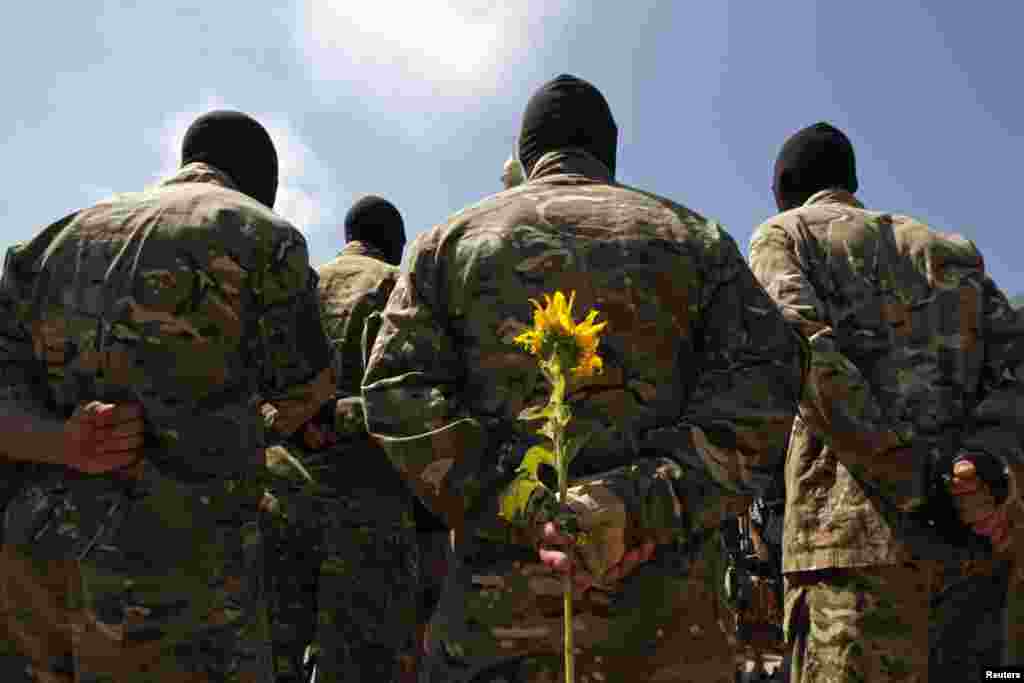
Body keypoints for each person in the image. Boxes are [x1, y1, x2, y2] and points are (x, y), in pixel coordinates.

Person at [361, 73, 807, 683]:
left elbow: (394, 391)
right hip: (669, 631)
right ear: (609, 154)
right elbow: (769, 385)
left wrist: (522, 504)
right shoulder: (694, 241)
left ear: (524, 155)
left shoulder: (448, 244)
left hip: (500, 627)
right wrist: (641, 503)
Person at [0, 110, 334, 682]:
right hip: (181, 590)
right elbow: (305, 386)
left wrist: (65, 443)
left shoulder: (49, 242)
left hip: (37, 580)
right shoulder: (262, 235)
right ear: (264, 187)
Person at [748, 121, 1024, 683]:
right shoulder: (949, 251)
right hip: (972, 552)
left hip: (851, 563)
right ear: (852, 181)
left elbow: (809, 361)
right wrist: (986, 472)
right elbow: (1016, 371)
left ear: (783, 189)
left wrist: (918, 485)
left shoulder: (786, 235)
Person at [262, 195, 421, 683]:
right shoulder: (398, 286)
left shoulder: (302, 286)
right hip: (367, 508)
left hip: (278, 496)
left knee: (272, 655)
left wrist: (295, 418)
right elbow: (412, 400)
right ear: (395, 246)